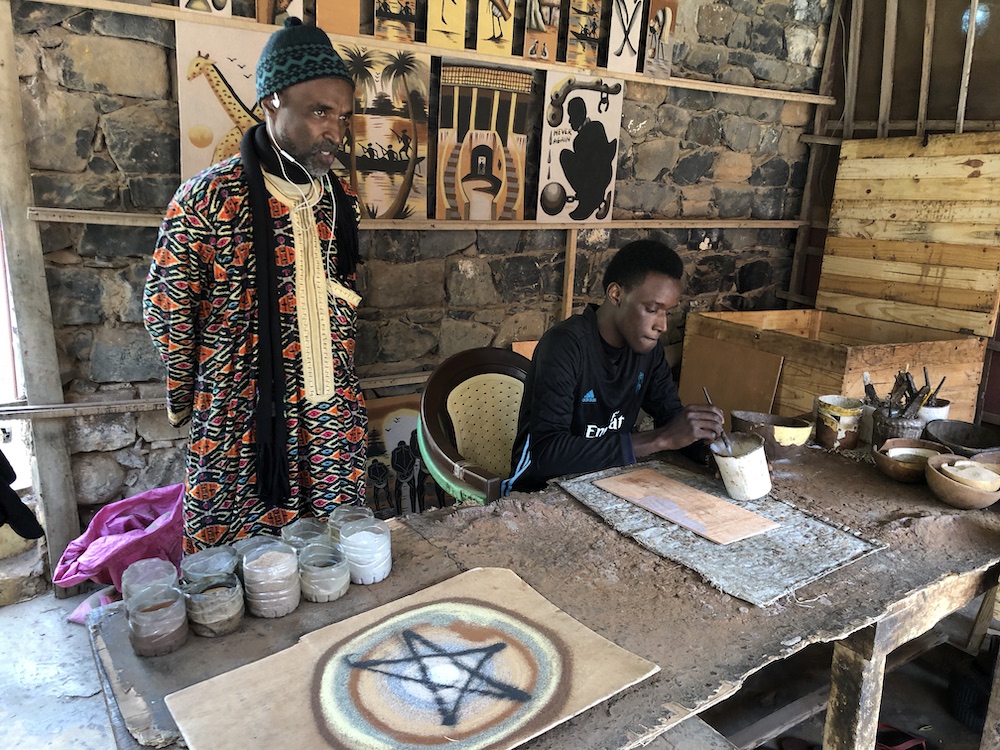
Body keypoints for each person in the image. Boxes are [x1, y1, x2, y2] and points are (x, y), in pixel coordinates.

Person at [144, 19, 365, 553]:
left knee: (334, 561)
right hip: (241, 424)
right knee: (243, 576)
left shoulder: (338, 203)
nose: (335, 131)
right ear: (271, 101)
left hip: (328, 414)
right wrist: (194, 398)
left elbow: (344, 296)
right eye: (319, 112)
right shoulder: (208, 199)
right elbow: (168, 311)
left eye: (342, 116)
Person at [505, 239, 724, 493]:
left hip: (606, 484)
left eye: (668, 312)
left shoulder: (647, 351)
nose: (662, 325)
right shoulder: (565, 346)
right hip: (539, 492)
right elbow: (548, 454)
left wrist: (716, 455)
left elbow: (671, 418)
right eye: (652, 309)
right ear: (616, 295)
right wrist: (660, 438)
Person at [559, 96, 616, 220]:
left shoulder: (580, 140)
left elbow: (586, 168)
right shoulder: (597, 126)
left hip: (594, 181)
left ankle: (588, 199)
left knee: (565, 156)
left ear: (578, 115)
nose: (569, 121)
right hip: (604, 177)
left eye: (571, 116)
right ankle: (590, 198)